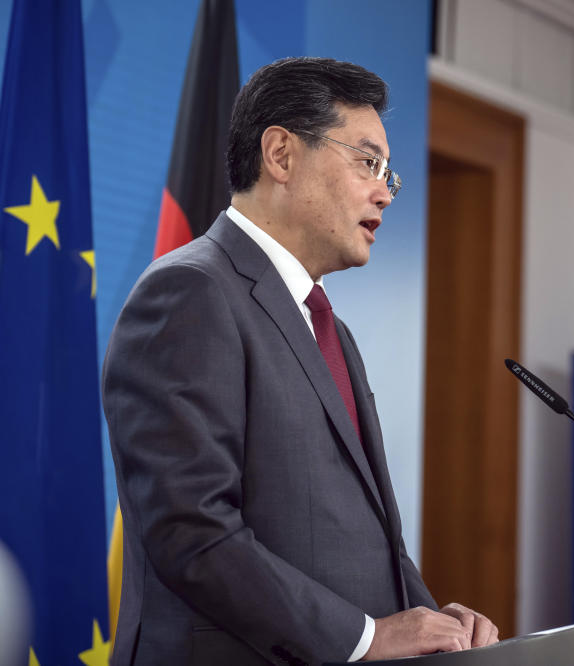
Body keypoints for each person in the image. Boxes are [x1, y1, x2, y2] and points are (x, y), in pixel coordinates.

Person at [102, 57, 498, 665]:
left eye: (389, 173)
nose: (385, 192)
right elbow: (193, 532)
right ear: (282, 155)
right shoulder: (188, 293)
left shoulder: (328, 326)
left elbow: (365, 536)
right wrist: (366, 639)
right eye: (368, 163)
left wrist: (434, 626)